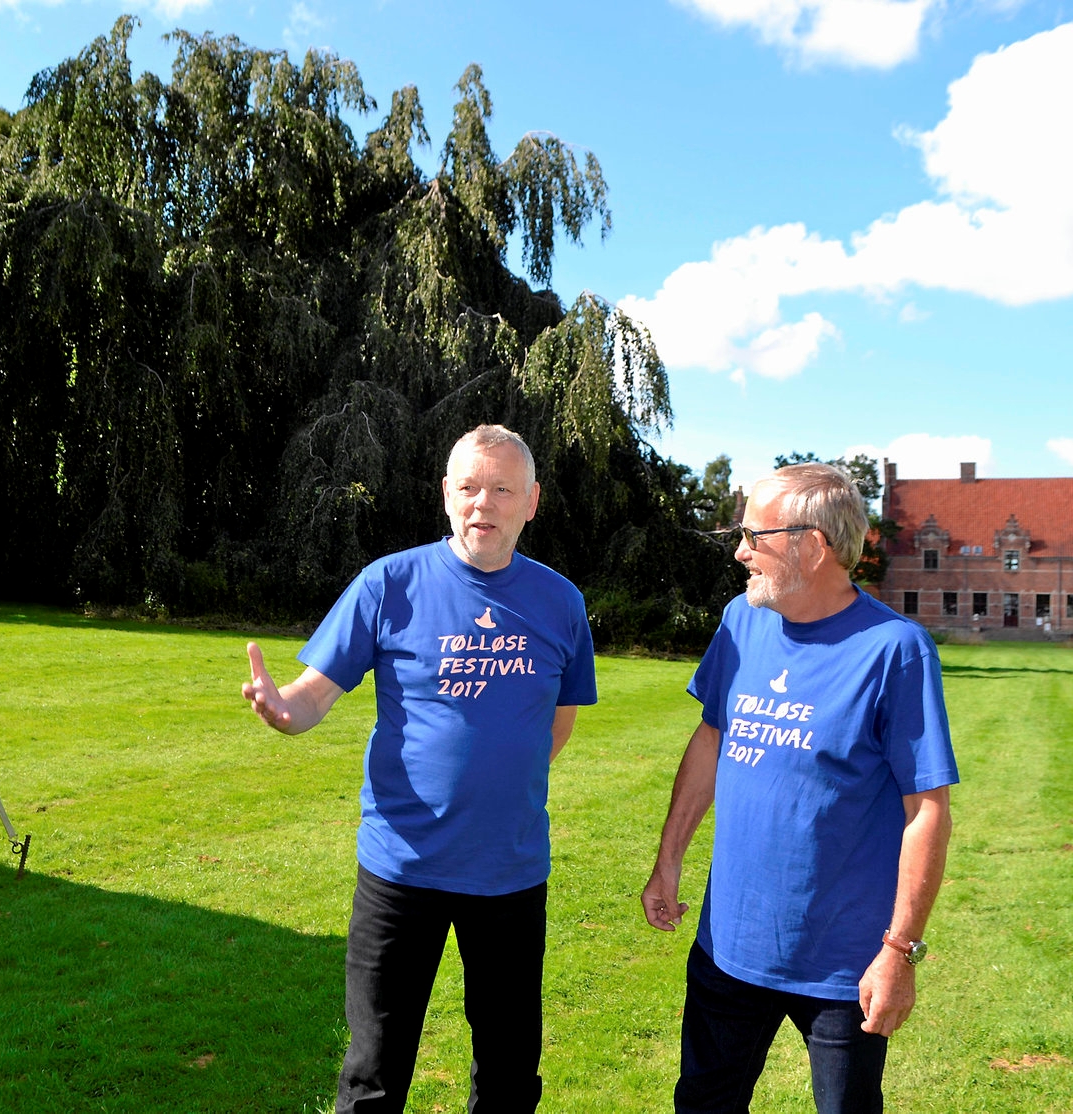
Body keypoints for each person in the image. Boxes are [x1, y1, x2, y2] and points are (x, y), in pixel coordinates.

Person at [243, 424, 598, 1113]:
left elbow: (557, 721)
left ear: (532, 502)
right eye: (469, 487)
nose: (483, 504)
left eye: (503, 490)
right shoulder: (390, 583)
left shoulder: (560, 602)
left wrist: (499, 781)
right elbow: (313, 695)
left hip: (509, 872)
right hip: (401, 869)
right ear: (445, 495)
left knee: (508, 1072)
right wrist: (282, 710)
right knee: (373, 1073)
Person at [639, 462, 958, 1114]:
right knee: (701, 1105)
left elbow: (926, 809)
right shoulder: (741, 621)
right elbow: (711, 740)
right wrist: (668, 861)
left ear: (812, 546)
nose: (740, 552)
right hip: (728, 946)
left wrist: (899, 953)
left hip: (844, 964)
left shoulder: (895, 650)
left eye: (754, 536)